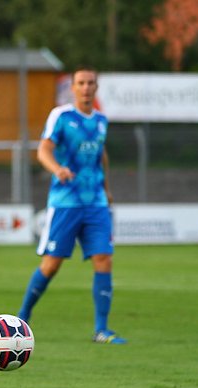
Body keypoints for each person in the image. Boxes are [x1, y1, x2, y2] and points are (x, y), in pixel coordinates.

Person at [18, 66, 126, 344]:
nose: (87, 87)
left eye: (91, 82)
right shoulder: (62, 116)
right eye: (81, 83)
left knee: (104, 258)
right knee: (51, 265)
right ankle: (22, 318)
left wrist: (107, 189)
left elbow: (101, 155)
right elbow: (43, 149)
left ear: (96, 87)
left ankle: (101, 330)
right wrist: (57, 169)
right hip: (66, 202)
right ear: (73, 88)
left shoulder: (101, 120)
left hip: (96, 203)